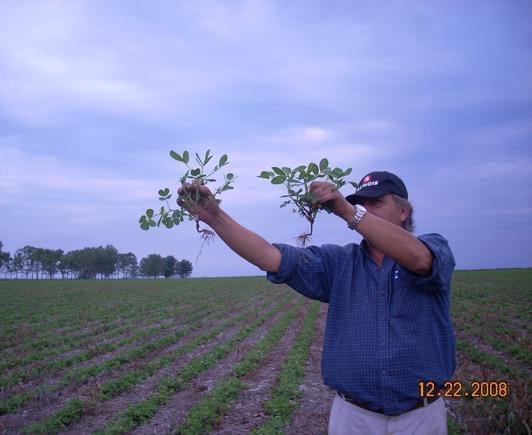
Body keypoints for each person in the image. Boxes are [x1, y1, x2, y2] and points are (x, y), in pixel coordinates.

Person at [177, 170, 455, 435]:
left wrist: (347, 210)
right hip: (354, 418)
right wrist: (215, 217)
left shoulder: (433, 248)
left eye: (377, 202)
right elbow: (268, 256)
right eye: (361, 203)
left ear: (404, 211)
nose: (366, 209)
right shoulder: (339, 263)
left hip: (421, 417)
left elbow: (419, 260)